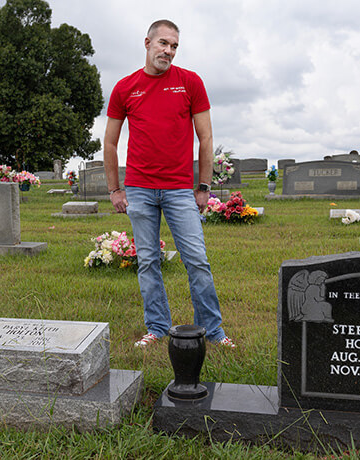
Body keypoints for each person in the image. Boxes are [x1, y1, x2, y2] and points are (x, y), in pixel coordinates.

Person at [103, 19, 235, 348]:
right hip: (139, 189)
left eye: (174, 46)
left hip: (179, 190)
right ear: (147, 43)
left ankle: (214, 332)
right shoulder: (124, 88)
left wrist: (203, 187)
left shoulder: (190, 83)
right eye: (163, 43)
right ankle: (157, 327)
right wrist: (114, 189)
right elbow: (110, 143)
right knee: (147, 261)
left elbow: (206, 138)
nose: (169, 51)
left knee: (197, 260)